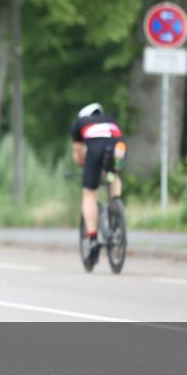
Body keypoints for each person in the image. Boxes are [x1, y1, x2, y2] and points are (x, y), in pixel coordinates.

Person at [70, 102, 124, 264]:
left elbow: (79, 153)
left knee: (89, 194)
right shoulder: (111, 120)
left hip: (95, 150)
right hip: (118, 148)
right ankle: (116, 207)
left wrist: (85, 165)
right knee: (112, 175)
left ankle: (93, 238)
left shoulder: (80, 123)